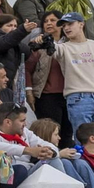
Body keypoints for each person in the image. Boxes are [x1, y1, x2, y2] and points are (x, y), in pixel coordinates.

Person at [55, 11, 94, 133]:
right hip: (77, 97)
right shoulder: (63, 47)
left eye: (70, 24)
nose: (66, 28)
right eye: (64, 25)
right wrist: (43, 40)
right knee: (84, 140)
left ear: (81, 24)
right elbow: (52, 50)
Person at [27, 11, 70, 143]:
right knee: (49, 133)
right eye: (45, 21)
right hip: (47, 96)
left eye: (53, 20)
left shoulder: (70, 44)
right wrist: (29, 91)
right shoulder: (38, 45)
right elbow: (27, 69)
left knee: (68, 133)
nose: (49, 23)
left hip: (70, 94)